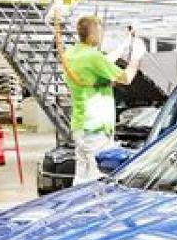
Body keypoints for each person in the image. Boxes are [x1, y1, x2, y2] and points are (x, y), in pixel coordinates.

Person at [60, 15, 143, 185]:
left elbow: (103, 62)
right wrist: (136, 56)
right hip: (96, 128)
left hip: (81, 126)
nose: (102, 35)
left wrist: (126, 43)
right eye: (100, 32)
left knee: (81, 177)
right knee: (99, 179)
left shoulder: (71, 54)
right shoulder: (92, 57)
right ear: (92, 34)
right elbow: (127, 78)